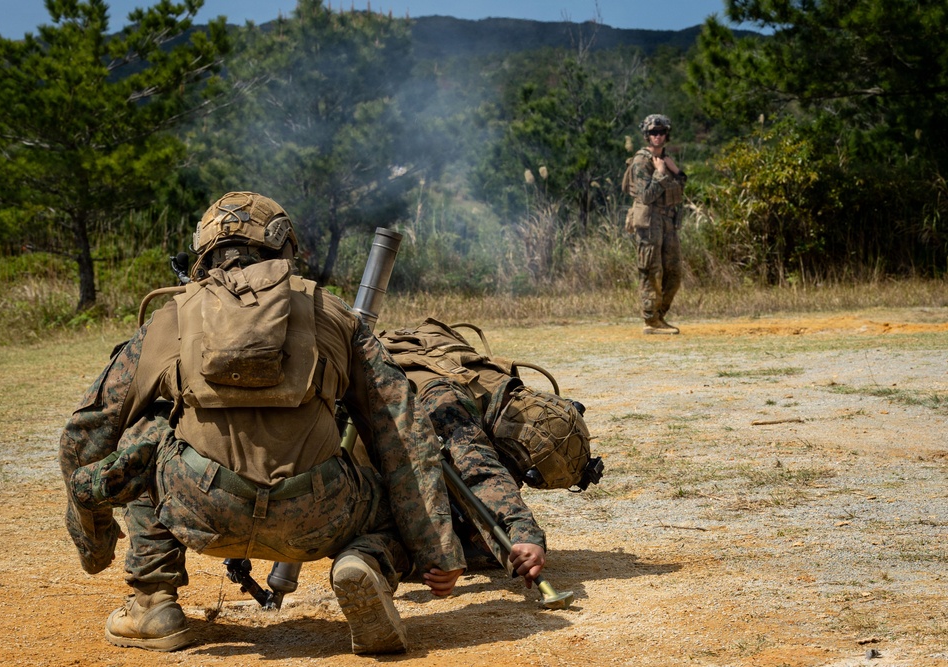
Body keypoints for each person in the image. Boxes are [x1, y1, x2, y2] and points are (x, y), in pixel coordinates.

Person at [58, 192, 465, 655]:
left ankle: (153, 603)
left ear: (205, 253)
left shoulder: (168, 319)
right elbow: (404, 434)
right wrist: (437, 552)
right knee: (394, 508)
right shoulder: (335, 315)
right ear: (285, 248)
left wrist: (92, 541)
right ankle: (364, 562)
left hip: (199, 507)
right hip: (319, 512)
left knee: (144, 437)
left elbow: (86, 433)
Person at [374, 319, 598, 589]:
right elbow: (479, 469)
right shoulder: (448, 402)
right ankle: (366, 556)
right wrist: (524, 533)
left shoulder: (498, 387)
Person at [624, 113, 687, 335]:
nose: (657, 136)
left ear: (666, 134)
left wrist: (675, 170)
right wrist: (660, 174)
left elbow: (680, 188)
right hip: (649, 221)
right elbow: (646, 196)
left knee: (674, 271)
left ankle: (660, 317)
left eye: (661, 133)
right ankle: (651, 321)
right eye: (653, 133)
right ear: (646, 135)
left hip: (667, 221)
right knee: (651, 270)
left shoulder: (665, 159)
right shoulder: (642, 161)